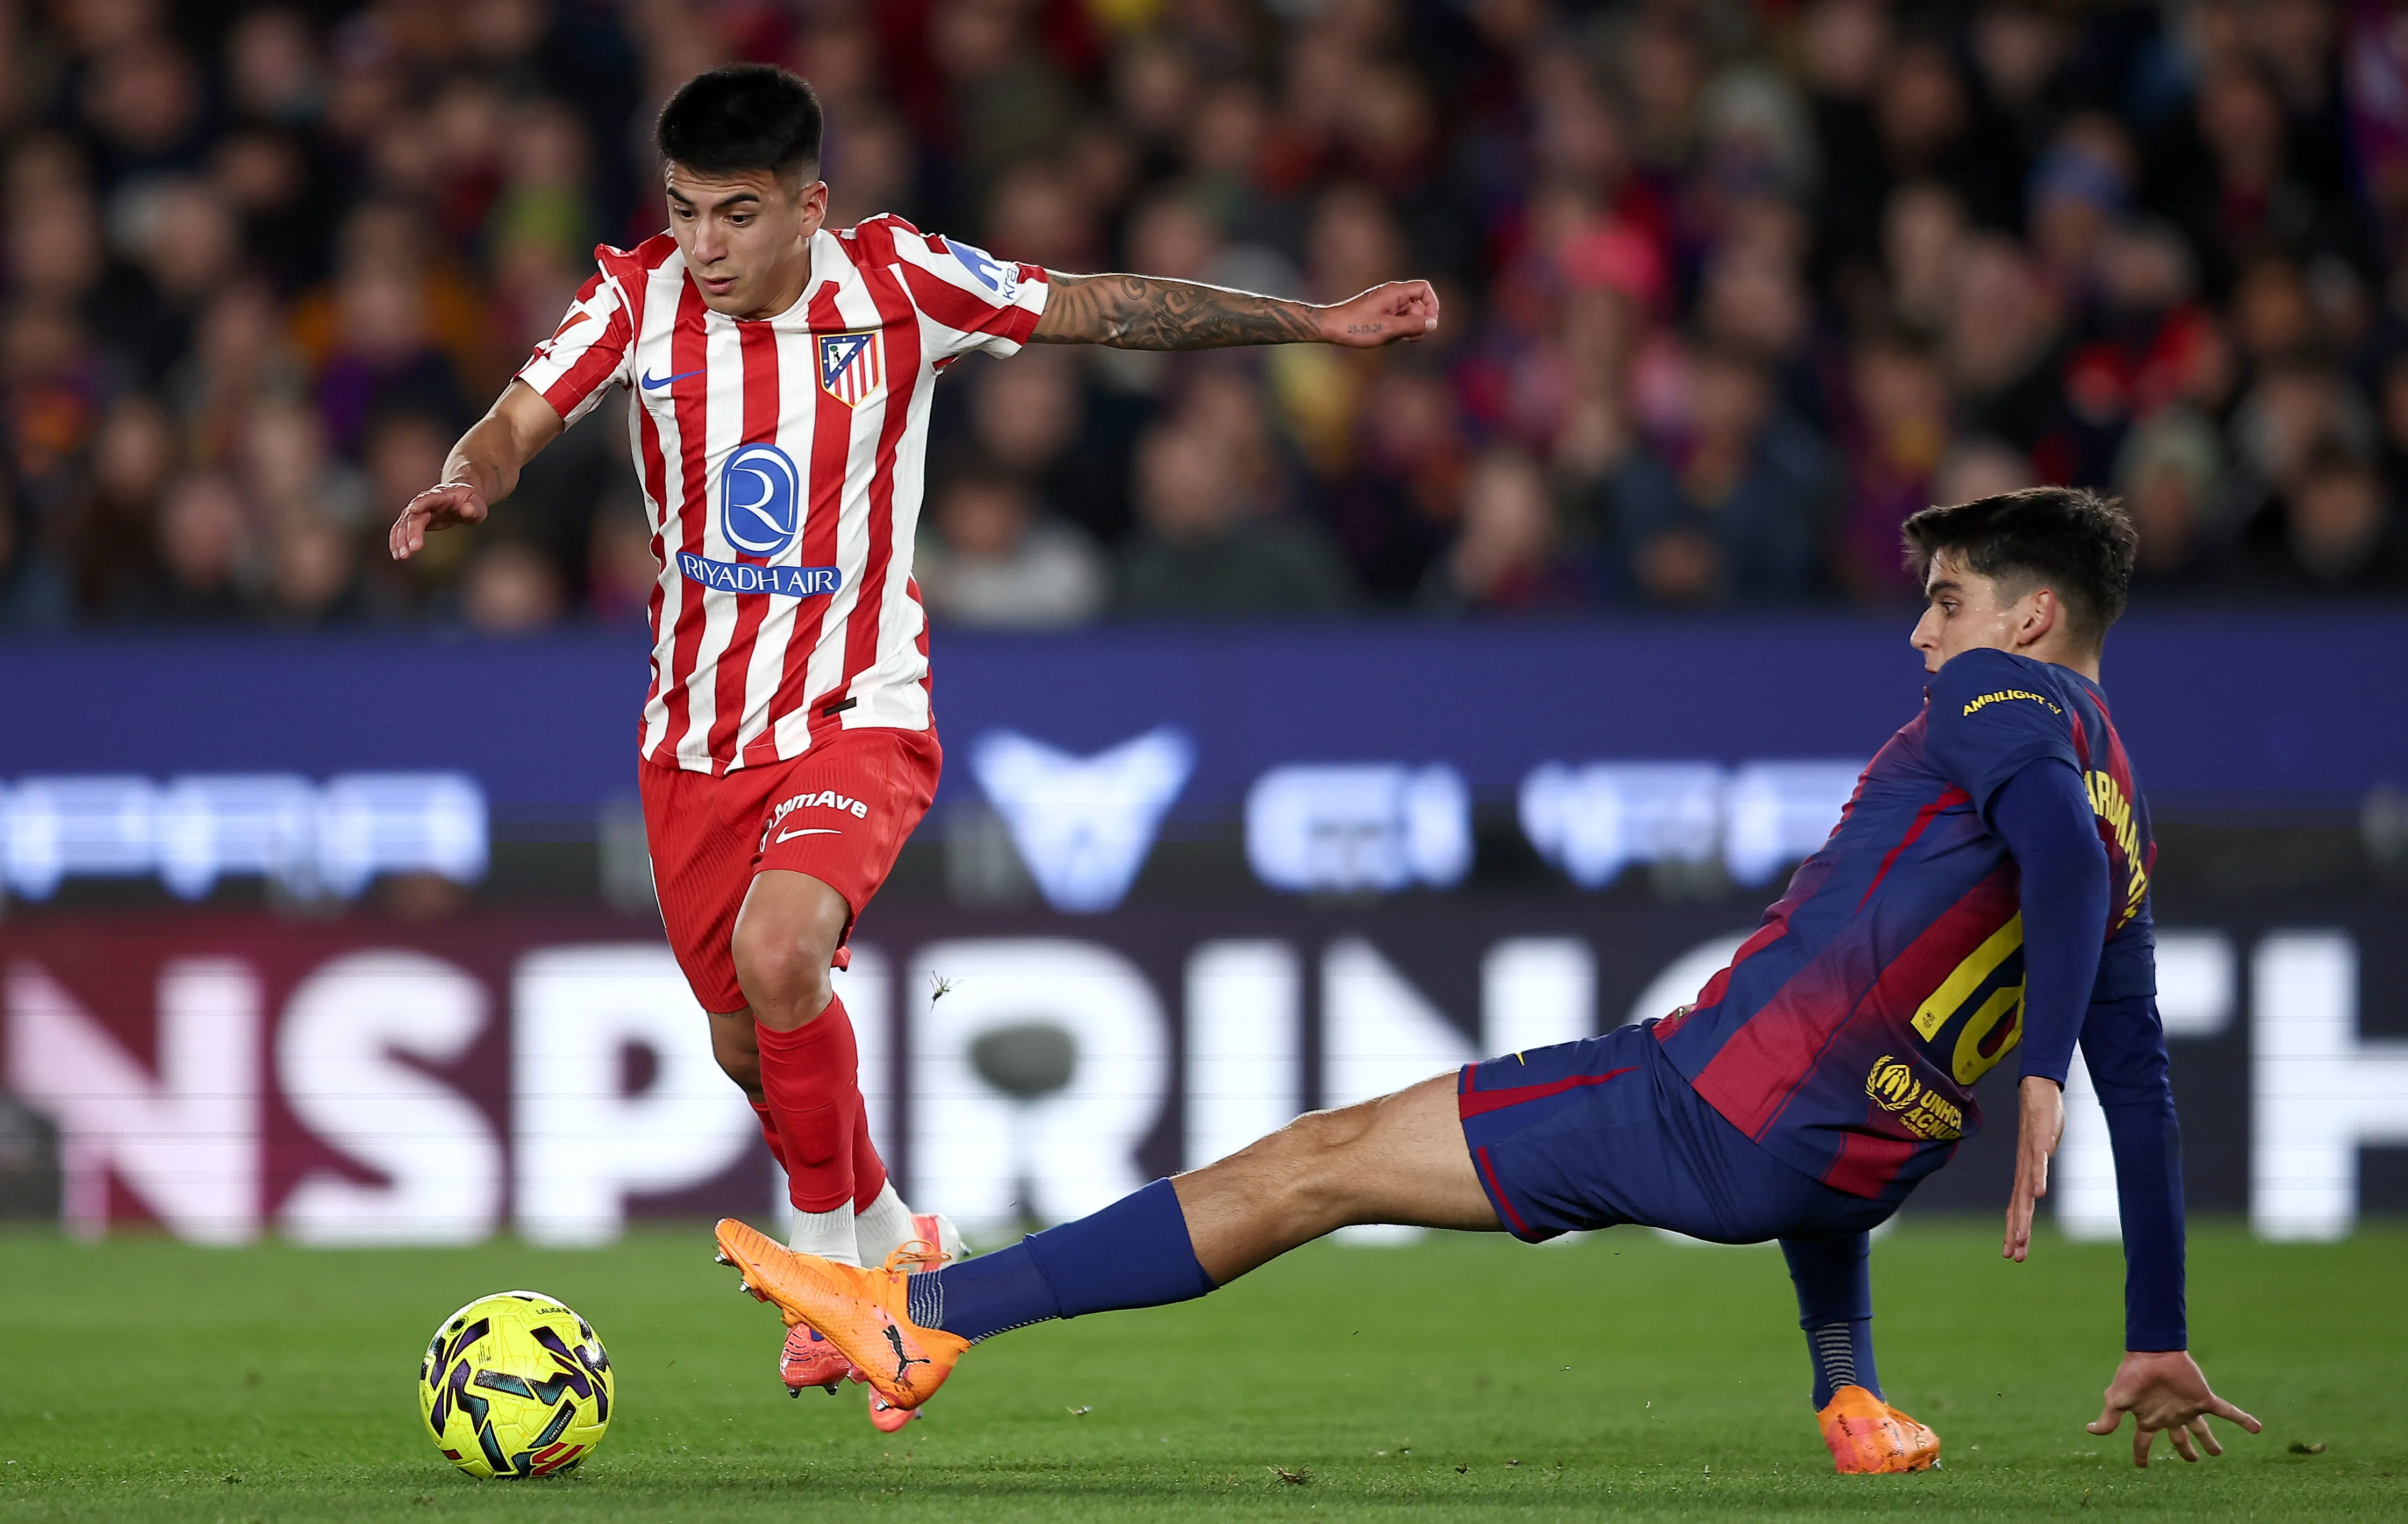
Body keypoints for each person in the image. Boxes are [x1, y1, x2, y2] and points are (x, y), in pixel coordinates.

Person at [710, 487, 2261, 1474]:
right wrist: (2153, 1321)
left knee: (1310, 1165)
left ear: (2028, 617)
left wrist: (2037, 1067)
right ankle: (1849, 1401)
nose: (1917, 628)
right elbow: (2148, 1077)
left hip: (1702, 1111)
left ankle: (925, 1311)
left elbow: (2049, 879)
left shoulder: (2004, 699)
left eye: (1944, 597)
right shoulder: (2122, 792)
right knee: (1799, 1066)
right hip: (1839, 1148)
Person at [386, 63, 1439, 1431]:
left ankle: (837, 1281)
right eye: (685, 210)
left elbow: (1103, 308)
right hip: (692, 738)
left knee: (781, 956)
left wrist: (1315, 321)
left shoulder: (898, 283)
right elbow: (519, 418)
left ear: (810, 206)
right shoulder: (631, 299)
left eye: (738, 215)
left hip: (858, 709)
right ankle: (892, 1238)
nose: (704, 246)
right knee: (746, 1047)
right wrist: (471, 474)